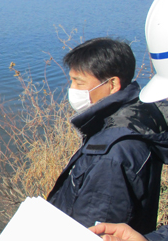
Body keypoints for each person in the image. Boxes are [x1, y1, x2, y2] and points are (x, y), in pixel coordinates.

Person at [46, 37, 168, 235]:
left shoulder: (113, 154)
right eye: (71, 80)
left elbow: (94, 229)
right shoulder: (136, 116)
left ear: (112, 84)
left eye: (79, 82)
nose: (72, 89)